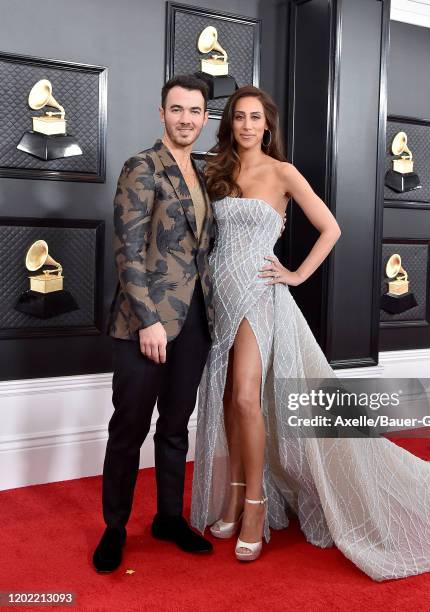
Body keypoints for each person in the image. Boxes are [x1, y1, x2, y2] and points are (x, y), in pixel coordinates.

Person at [190, 84, 430, 580]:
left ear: (268, 125)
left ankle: (257, 505)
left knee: (244, 399)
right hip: (221, 294)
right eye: (238, 117)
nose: (245, 125)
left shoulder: (282, 172)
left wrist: (297, 275)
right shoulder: (217, 172)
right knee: (229, 401)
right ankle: (237, 497)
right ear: (230, 123)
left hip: (260, 295)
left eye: (255, 118)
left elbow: (331, 228)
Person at [93, 75, 215, 573]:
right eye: (177, 109)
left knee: (175, 427)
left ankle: (168, 517)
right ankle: (115, 527)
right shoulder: (141, 167)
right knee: (129, 428)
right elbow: (127, 250)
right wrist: (148, 321)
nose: (186, 118)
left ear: (206, 118)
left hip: (195, 322)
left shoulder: (204, 173)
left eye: (195, 111)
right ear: (161, 113)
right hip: (145, 325)